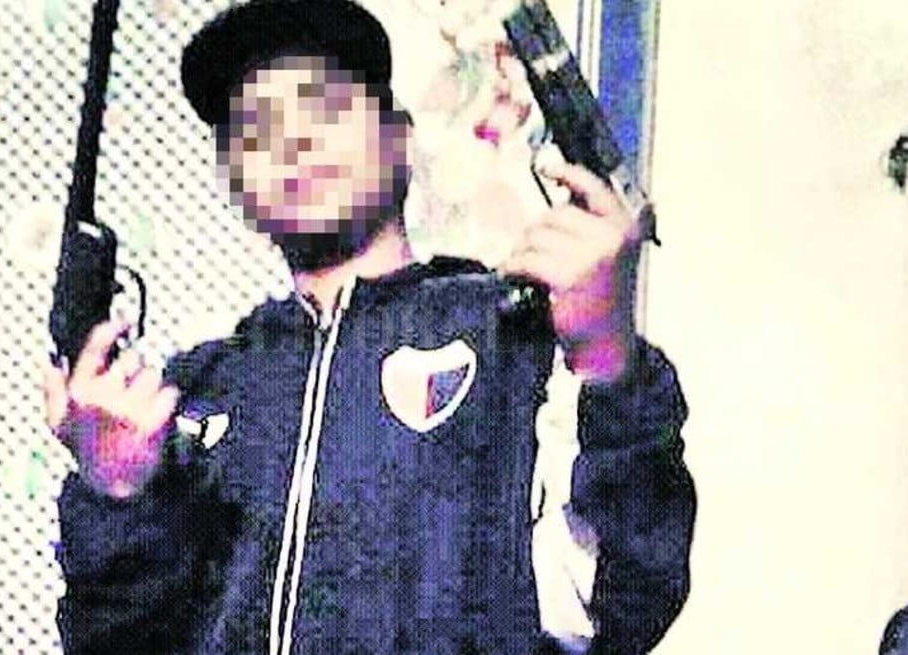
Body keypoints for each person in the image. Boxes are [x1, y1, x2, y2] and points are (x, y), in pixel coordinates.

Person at [42, 1, 696, 653]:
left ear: (399, 136)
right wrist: (116, 492)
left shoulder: (515, 337)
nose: (292, 143)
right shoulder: (192, 395)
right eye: (254, 130)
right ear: (236, 186)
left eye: (323, 107)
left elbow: (622, 600)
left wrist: (603, 356)